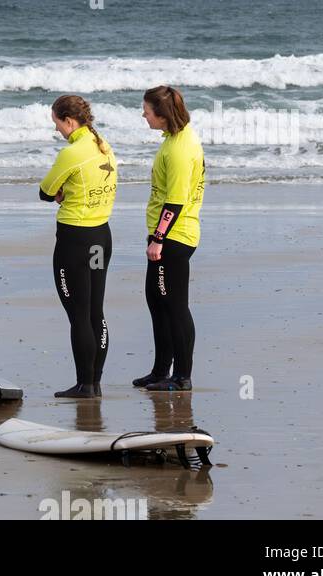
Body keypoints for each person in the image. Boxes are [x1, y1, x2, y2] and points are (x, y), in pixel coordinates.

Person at [38, 95, 117, 399]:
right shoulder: (103, 145)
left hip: (74, 241)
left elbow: (45, 192)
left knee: (78, 315)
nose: (57, 129)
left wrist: (60, 193)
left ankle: (85, 384)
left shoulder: (71, 153)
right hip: (101, 237)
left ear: (69, 121)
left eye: (57, 123)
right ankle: (94, 382)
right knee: (96, 311)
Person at [133, 85, 205, 393]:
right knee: (156, 300)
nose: (144, 115)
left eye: (147, 111)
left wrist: (158, 239)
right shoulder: (176, 137)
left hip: (173, 236)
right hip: (169, 233)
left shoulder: (179, 149)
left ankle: (182, 377)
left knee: (174, 306)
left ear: (162, 115)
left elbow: (175, 200)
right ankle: (161, 370)